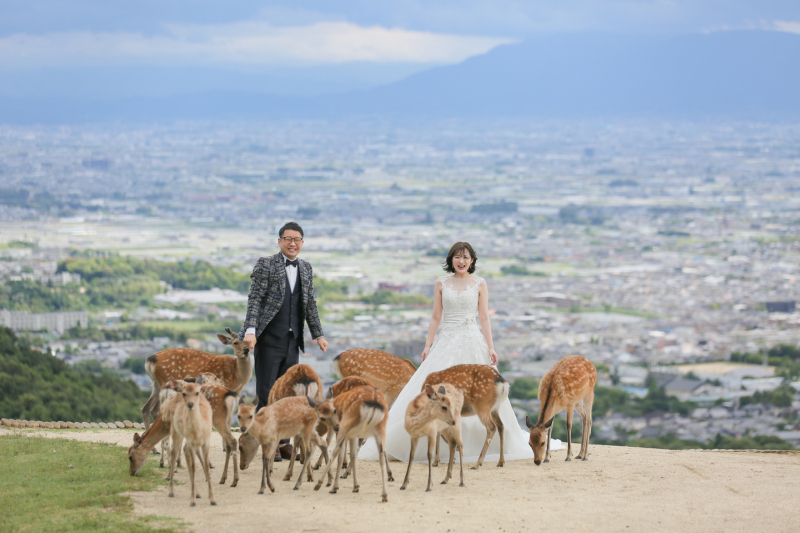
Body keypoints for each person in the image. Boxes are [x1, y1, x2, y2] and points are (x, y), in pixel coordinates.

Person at [360, 242, 563, 463]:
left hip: (472, 339)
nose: (461, 261)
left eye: (466, 257)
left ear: (472, 261)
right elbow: (436, 317)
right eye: (457, 257)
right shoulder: (441, 283)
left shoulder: (480, 284)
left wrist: (491, 346)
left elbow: (484, 317)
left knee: (482, 396)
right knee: (436, 395)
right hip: (445, 340)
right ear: (451, 260)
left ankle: (482, 444)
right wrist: (428, 345)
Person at [240, 221, 329, 460]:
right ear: (279, 241)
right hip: (268, 339)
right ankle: (268, 442)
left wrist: (318, 334)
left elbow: (309, 304)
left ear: (302, 243)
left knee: (289, 394)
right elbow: (255, 300)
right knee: (267, 392)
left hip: (293, 341)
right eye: (288, 239)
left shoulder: (306, 268)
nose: (292, 243)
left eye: (297, 239)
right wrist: (250, 331)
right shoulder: (266, 264)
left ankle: (284, 443)